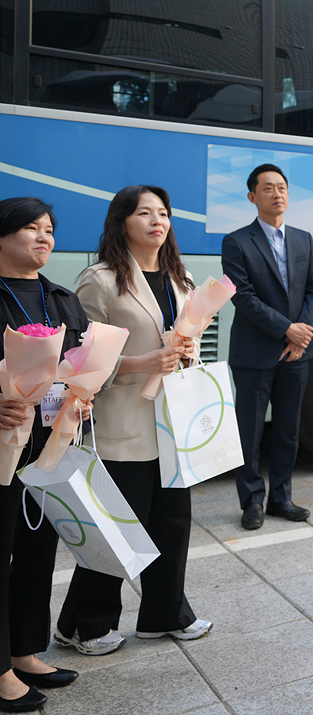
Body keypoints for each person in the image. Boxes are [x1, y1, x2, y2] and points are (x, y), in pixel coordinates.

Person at [56, 186, 212, 657]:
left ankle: (165, 615)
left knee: (172, 522)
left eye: (163, 212)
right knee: (118, 528)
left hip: (172, 421)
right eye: (144, 212)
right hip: (121, 423)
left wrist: (187, 352)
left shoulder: (182, 278)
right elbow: (79, 360)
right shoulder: (100, 280)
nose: (157, 220)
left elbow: (185, 343)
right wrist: (141, 363)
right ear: (122, 221)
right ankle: (86, 624)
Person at [0, 197, 83, 711]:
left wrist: (83, 393)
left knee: (37, 549)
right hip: (3, 444)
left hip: (49, 443)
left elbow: (82, 362)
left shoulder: (61, 298)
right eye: (31, 227)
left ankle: (24, 651)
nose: (44, 236)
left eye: (49, 229)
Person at [222, 164, 313, 530]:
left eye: (281, 187)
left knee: (287, 429)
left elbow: (312, 288)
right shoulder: (236, 241)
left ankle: (281, 497)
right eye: (268, 188)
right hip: (254, 352)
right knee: (250, 431)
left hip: (297, 353)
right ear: (252, 196)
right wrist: (287, 330)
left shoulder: (303, 239)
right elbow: (242, 296)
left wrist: (301, 335)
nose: (277, 193)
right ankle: (252, 501)